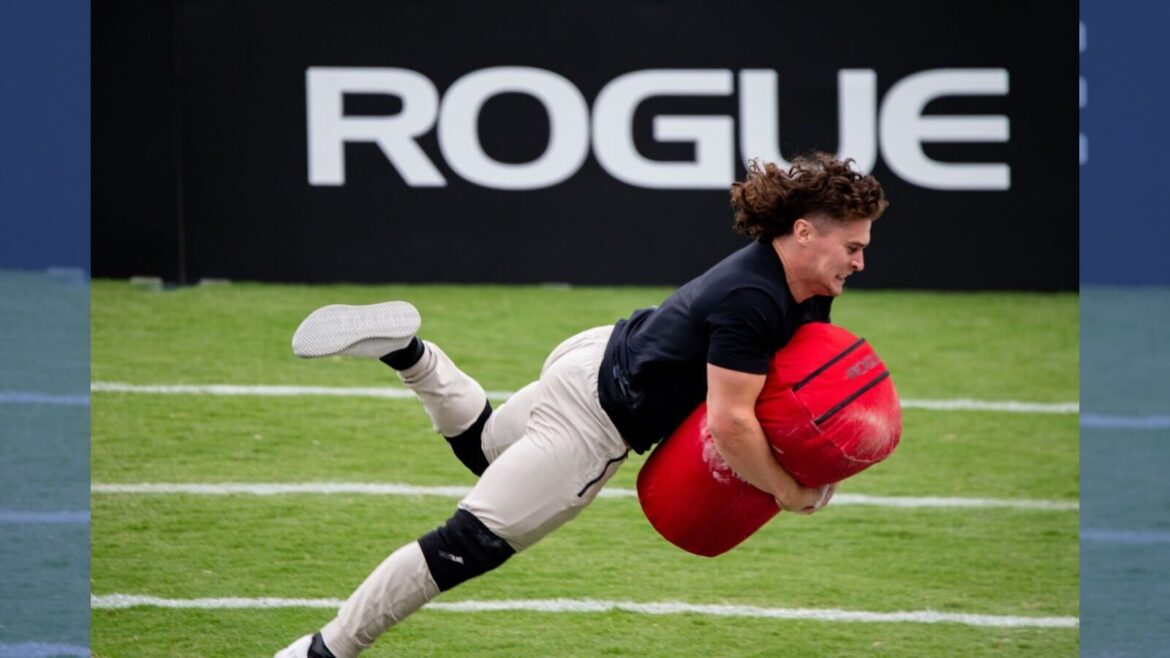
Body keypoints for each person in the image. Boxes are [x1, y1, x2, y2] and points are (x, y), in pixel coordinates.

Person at [275, 153, 888, 658]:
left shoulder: (805, 287)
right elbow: (730, 425)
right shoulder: (754, 299)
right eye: (852, 247)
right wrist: (788, 490)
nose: (860, 261)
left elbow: (793, 388)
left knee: (485, 450)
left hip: (592, 357)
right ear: (803, 232)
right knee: (468, 543)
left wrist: (817, 459)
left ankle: (410, 354)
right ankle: (323, 651)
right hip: (596, 420)